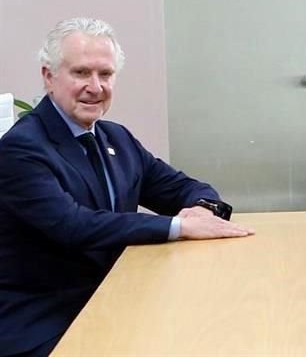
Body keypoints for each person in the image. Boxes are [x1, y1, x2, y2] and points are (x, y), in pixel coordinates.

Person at [0, 18, 255, 357]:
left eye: (105, 74)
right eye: (81, 73)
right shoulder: (21, 149)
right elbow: (75, 226)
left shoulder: (116, 137)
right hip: (48, 320)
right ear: (49, 77)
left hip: (116, 297)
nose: (95, 86)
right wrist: (180, 226)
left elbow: (181, 187)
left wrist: (203, 209)